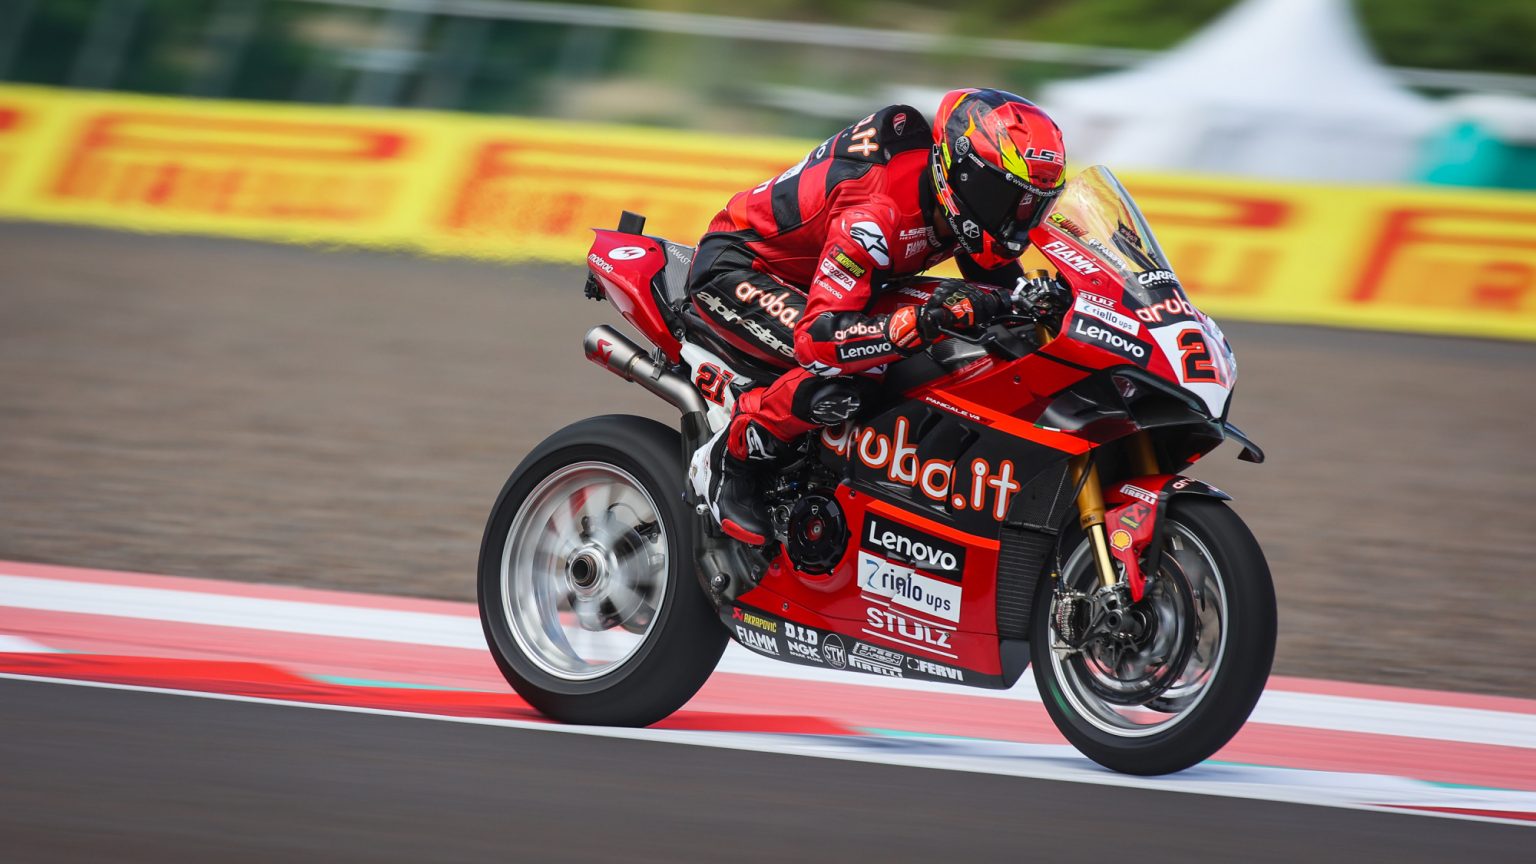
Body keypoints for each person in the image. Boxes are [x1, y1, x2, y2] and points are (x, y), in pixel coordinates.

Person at [685, 88, 1068, 545]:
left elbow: (1002, 284)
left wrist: (1045, 300)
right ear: (963, 175)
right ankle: (731, 456)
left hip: (828, 282)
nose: (1015, 220)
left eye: (1029, 206)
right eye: (1006, 200)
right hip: (742, 270)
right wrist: (918, 323)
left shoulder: (959, 205)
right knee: (853, 371)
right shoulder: (877, 214)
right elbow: (818, 340)